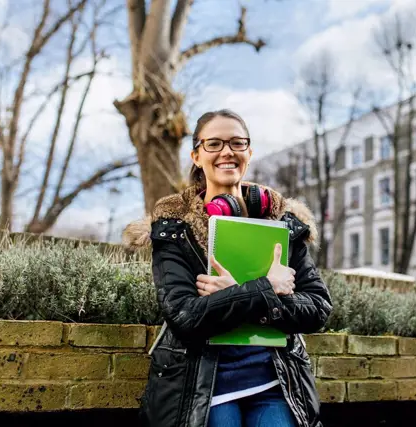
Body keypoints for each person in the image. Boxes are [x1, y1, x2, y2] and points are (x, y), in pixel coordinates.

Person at [123, 109, 332, 427]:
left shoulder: (284, 225)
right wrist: (264, 287)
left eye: (237, 142)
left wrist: (235, 295)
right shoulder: (174, 229)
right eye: (214, 144)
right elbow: (184, 316)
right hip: (204, 387)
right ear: (196, 155)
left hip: (275, 383)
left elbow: (318, 308)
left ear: (249, 152)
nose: (227, 151)